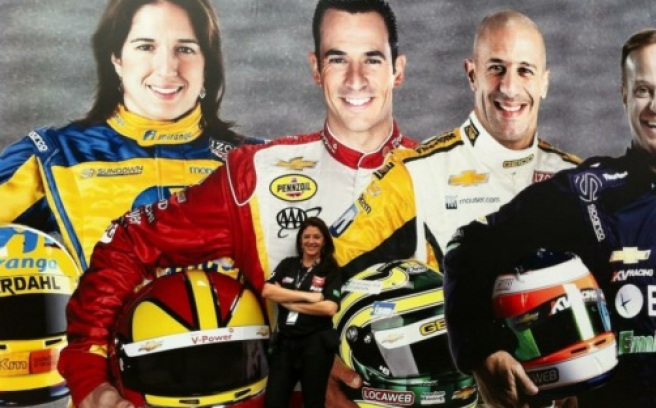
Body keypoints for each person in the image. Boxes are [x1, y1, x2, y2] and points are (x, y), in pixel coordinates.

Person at [58, 0, 415, 406]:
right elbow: (127, 244)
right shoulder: (254, 175)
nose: (355, 79)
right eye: (337, 59)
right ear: (316, 68)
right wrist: (89, 374)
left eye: (372, 59)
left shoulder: (447, 174)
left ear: (397, 70)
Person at [443, 28, 656, 408]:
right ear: (624, 96)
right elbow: (469, 246)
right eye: (643, 90)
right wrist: (482, 352)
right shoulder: (584, 192)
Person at [325, 10, 580, 406]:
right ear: (472, 74)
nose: (510, 87)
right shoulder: (415, 176)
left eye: (525, 71)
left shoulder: (579, 181)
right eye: (496, 68)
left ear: (544, 82)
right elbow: (313, 273)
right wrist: (320, 367)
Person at [0, 0, 262, 273]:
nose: (167, 69)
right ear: (117, 58)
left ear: (206, 64)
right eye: (146, 47)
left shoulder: (260, 163)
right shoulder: (57, 155)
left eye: (185, 49)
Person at [262, 217, 342, 408]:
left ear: (324, 241)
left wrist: (289, 303)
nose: (311, 241)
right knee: (273, 402)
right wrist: (308, 297)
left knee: (313, 403)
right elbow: (268, 291)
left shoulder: (331, 270)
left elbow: (329, 308)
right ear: (300, 240)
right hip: (285, 345)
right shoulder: (287, 265)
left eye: (316, 237)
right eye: (306, 237)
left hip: (315, 346)